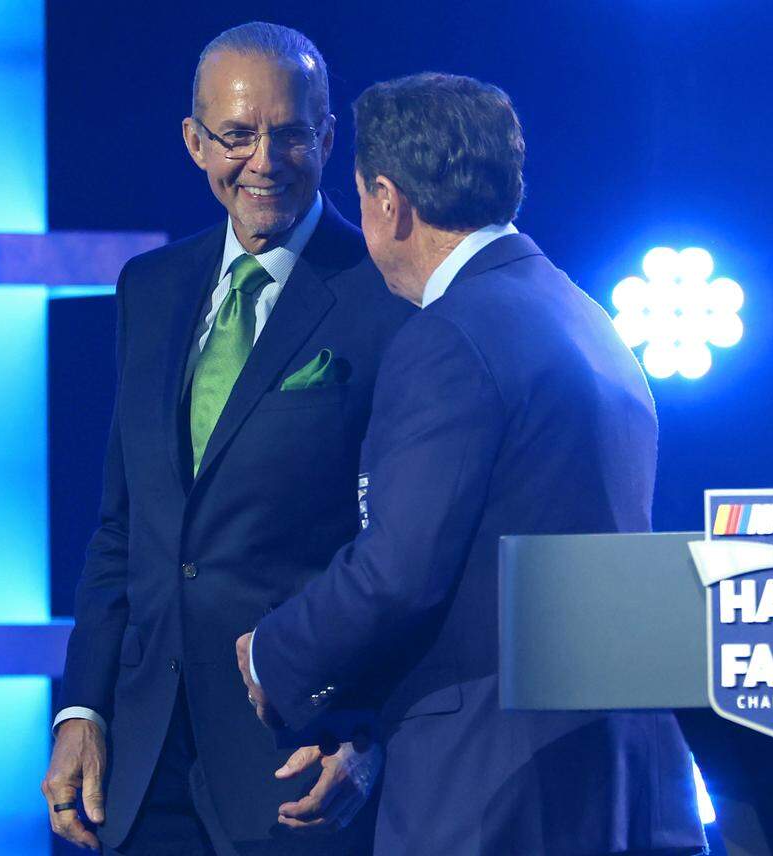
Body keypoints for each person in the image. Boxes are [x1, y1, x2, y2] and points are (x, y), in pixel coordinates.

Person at [238, 73, 709, 855]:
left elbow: (399, 571)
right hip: (618, 780)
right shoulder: (586, 318)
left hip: (494, 789)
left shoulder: (448, 337)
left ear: (388, 201)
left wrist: (273, 652)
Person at [42, 23, 412, 855]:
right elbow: (122, 527)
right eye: (238, 136)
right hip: (141, 763)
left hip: (299, 763)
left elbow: (408, 554)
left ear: (326, 137)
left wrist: (368, 733)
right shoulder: (151, 286)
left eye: (289, 134)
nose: (264, 161)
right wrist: (83, 708)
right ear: (194, 141)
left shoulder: (387, 299)